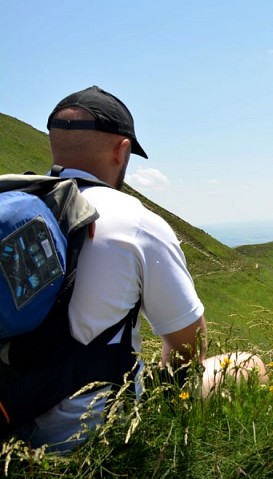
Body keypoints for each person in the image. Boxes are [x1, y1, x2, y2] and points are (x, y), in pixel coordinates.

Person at [12, 85, 209, 452]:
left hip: (9, 422)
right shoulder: (136, 222)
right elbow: (188, 346)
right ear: (122, 150)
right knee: (247, 365)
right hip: (89, 437)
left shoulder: (15, 211)